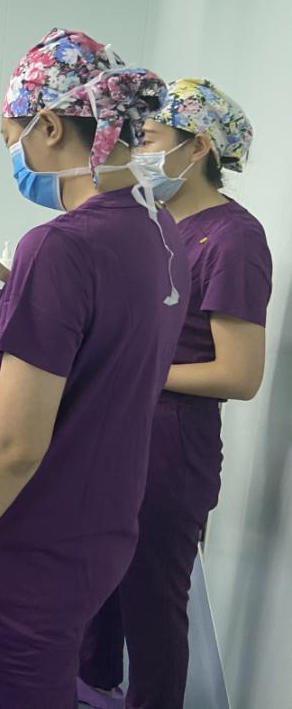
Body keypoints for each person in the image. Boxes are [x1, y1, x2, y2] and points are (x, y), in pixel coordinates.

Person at [0, 29, 189, 709]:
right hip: (102, 526)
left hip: (27, 548)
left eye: (12, 137)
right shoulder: (160, 229)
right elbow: (109, 341)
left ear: (50, 126)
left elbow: (13, 445)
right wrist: (20, 290)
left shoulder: (60, 247)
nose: (15, 153)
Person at [78, 79, 271, 709]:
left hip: (172, 441)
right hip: (121, 423)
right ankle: (93, 678)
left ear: (199, 147)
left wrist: (134, 371)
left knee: (152, 599)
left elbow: (239, 375)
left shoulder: (234, 240)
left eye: (151, 137)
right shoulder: (153, 221)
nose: (137, 150)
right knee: (104, 571)